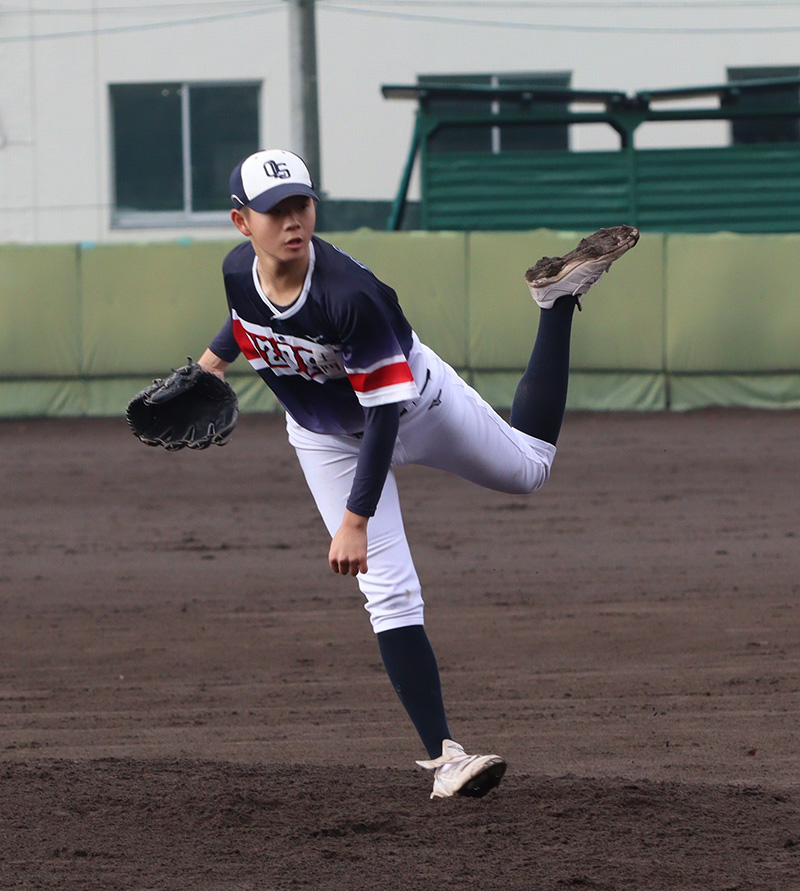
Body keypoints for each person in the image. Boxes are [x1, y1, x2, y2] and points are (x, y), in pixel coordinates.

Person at [197, 148, 639, 800]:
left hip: (416, 406)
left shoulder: (349, 295)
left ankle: (555, 299)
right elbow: (245, 320)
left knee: (529, 470)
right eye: (274, 210)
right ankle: (447, 758)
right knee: (390, 594)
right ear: (243, 223)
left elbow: (382, 417)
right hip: (323, 436)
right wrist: (209, 365)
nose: (292, 220)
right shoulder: (239, 270)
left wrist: (355, 519)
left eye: (301, 204)